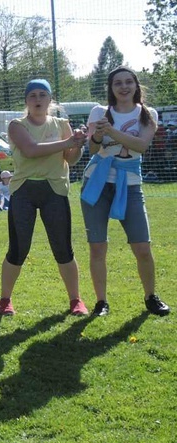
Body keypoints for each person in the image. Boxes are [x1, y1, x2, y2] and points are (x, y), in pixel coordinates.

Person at [81, 66, 170, 317]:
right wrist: (97, 134)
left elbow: (141, 146)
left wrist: (110, 131)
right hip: (97, 183)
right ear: (110, 88)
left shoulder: (147, 114)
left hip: (130, 185)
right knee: (98, 247)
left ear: (136, 85)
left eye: (128, 82)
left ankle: (151, 297)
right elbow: (93, 149)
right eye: (117, 83)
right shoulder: (99, 112)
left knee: (142, 246)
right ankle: (101, 302)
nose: (123, 87)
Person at [0, 79, 88, 316]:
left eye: (42, 95)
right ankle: (5, 299)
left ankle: (75, 300)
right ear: (26, 101)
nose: (37, 100)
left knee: (63, 249)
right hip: (23, 193)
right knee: (18, 249)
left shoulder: (62, 124)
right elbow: (31, 150)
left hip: (55, 191)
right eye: (33, 96)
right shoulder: (17, 125)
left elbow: (71, 158)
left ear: (50, 100)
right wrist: (69, 142)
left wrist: (78, 144)